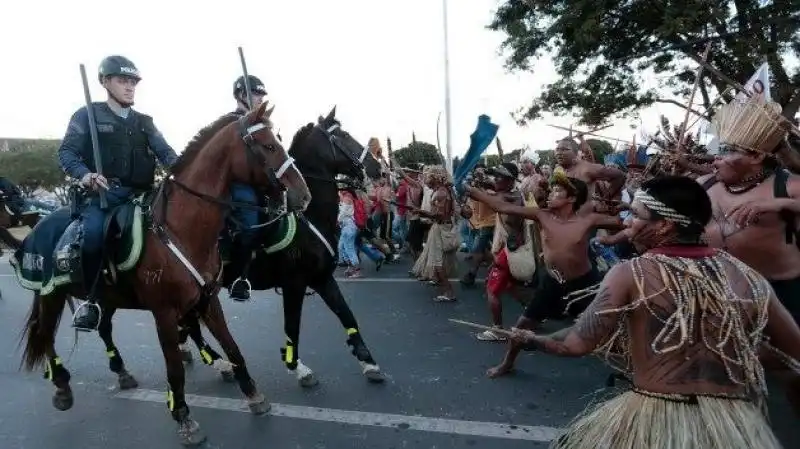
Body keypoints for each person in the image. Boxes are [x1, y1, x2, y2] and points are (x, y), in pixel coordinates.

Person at [510, 175, 800, 449]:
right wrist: (734, 350)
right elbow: (794, 351)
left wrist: (531, 339)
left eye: (635, 215)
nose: (628, 222)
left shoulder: (631, 272)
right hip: (733, 426)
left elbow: (574, 344)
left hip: (655, 416)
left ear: (664, 225)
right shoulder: (748, 277)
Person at [58, 55, 178, 331]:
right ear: (105, 82)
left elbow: (167, 154)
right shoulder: (86, 115)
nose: (129, 87)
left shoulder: (145, 122)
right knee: (92, 239)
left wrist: (185, 171)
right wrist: (85, 175)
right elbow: (66, 153)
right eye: (122, 81)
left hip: (144, 195)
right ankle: (92, 300)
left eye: (132, 82)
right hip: (105, 195)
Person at [465, 168, 622, 377]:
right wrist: (467, 189)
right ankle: (507, 363)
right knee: (520, 328)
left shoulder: (589, 220)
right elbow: (500, 205)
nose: (549, 194)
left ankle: (633, 370)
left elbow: (626, 224)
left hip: (585, 285)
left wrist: (621, 208)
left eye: (557, 191)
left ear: (572, 198)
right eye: (552, 190)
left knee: (610, 329)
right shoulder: (542, 214)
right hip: (553, 283)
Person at [698, 96, 800, 326]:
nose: (716, 159)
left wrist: (781, 204)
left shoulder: (788, 186)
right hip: (722, 289)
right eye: (718, 150)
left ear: (756, 156)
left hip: (783, 294)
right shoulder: (704, 184)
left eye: (726, 151)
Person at [225, 74, 269, 301]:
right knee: (251, 224)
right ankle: (238, 278)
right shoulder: (229, 122)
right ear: (241, 95)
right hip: (239, 184)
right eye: (256, 94)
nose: (260, 98)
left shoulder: (262, 123)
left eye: (262, 94)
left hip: (264, 183)